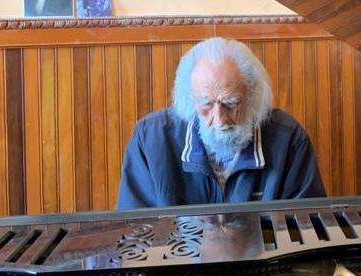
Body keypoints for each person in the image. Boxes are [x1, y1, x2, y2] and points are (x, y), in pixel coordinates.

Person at [117, 37, 325, 209]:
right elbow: (134, 234)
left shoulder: (288, 140)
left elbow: (307, 230)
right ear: (190, 99)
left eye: (231, 103)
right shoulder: (151, 139)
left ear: (252, 95)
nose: (220, 119)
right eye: (206, 104)